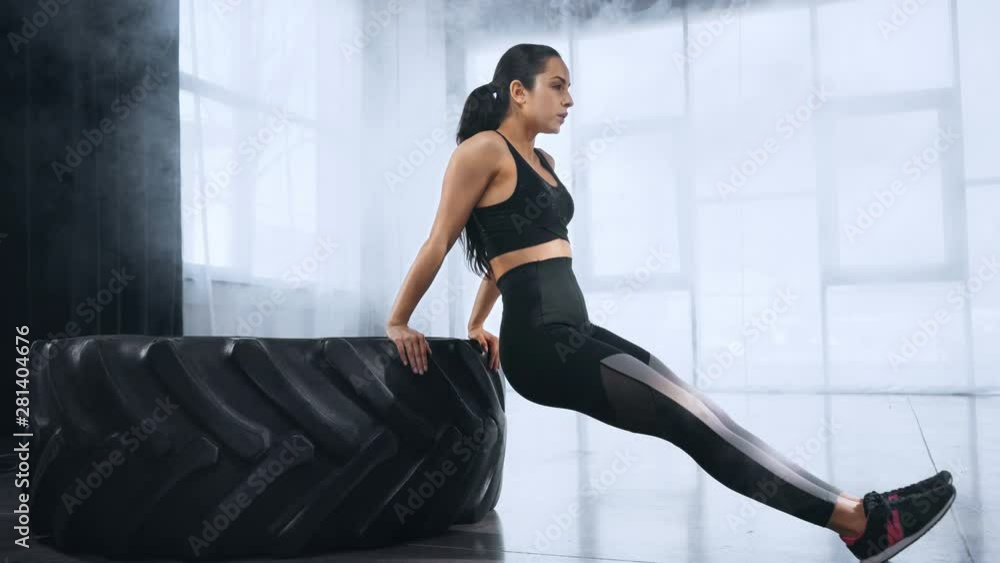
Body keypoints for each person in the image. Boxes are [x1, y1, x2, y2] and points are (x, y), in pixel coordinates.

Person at [384, 43, 956, 563]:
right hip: (544, 346)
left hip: (575, 331)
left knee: (706, 417)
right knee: (699, 426)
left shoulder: (544, 164)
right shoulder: (483, 150)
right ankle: (860, 522)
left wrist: (479, 319)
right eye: (557, 85)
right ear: (518, 91)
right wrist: (399, 320)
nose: (569, 99)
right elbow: (440, 239)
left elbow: (507, 248)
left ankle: (858, 510)